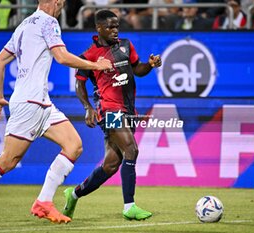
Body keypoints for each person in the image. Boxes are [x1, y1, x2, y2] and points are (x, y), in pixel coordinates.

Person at [0, 0, 112, 229]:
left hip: (41, 102)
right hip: (30, 103)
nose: (62, 4)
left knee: (73, 145)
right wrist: (96, 65)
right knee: (8, 160)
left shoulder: (23, 25)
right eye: (60, 0)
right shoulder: (48, 22)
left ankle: (43, 201)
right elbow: (62, 57)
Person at [62, 9, 162, 221]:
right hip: (108, 110)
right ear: (98, 28)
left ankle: (73, 194)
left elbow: (138, 69)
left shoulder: (125, 45)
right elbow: (79, 84)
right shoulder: (89, 56)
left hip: (128, 110)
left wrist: (150, 65)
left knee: (110, 165)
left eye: (117, 26)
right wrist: (87, 107)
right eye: (110, 27)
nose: (115, 30)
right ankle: (129, 206)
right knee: (131, 149)